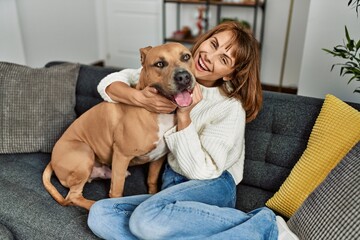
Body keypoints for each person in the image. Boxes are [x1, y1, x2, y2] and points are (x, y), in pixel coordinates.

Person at [88, 21, 278, 239]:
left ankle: (266, 225)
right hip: (172, 182)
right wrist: (139, 97)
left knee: (144, 221)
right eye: (213, 44)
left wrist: (184, 116)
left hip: (213, 184)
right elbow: (109, 83)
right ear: (203, 40)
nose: (209, 57)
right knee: (100, 214)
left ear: (229, 74)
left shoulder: (229, 108)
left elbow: (204, 172)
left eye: (224, 59)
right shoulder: (168, 72)